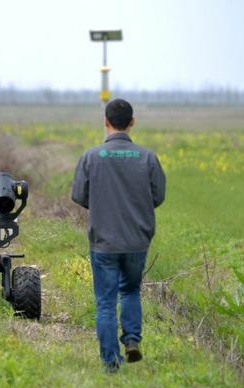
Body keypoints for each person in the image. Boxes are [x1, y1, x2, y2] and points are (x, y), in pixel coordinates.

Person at [71, 98, 166, 373]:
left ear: (105, 121)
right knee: (131, 290)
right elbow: (157, 196)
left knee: (105, 302)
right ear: (132, 122)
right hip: (137, 240)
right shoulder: (147, 157)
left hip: (104, 241)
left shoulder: (91, 156)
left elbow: (78, 194)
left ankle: (111, 362)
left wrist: (101, 204)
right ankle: (133, 339)